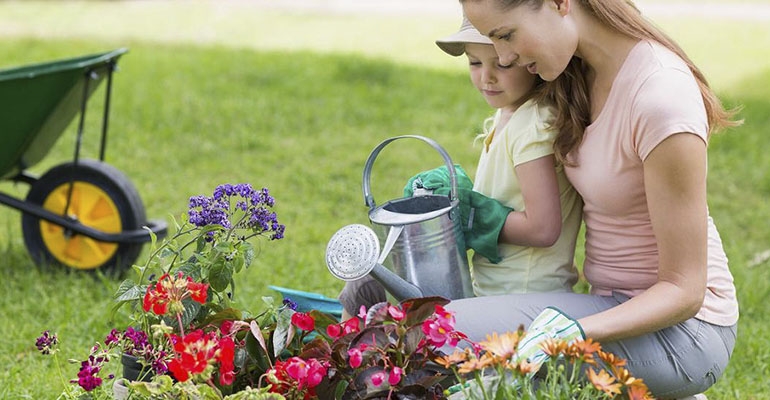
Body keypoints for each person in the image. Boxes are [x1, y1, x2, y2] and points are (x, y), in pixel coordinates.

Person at [448, 0, 741, 398]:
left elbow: (685, 291)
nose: (504, 57)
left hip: (684, 333)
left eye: (505, 35)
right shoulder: (576, 69)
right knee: (430, 331)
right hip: (607, 304)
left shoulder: (661, 98)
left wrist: (575, 331)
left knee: (442, 340)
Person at [338, 17, 583, 316]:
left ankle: (352, 357)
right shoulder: (510, 115)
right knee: (364, 281)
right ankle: (347, 354)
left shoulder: (533, 124)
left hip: (524, 301)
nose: (486, 77)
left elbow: (543, 228)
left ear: (531, 60)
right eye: (475, 63)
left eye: (502, 65)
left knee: (400, 326)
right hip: (493, 293)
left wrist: (469, 214)